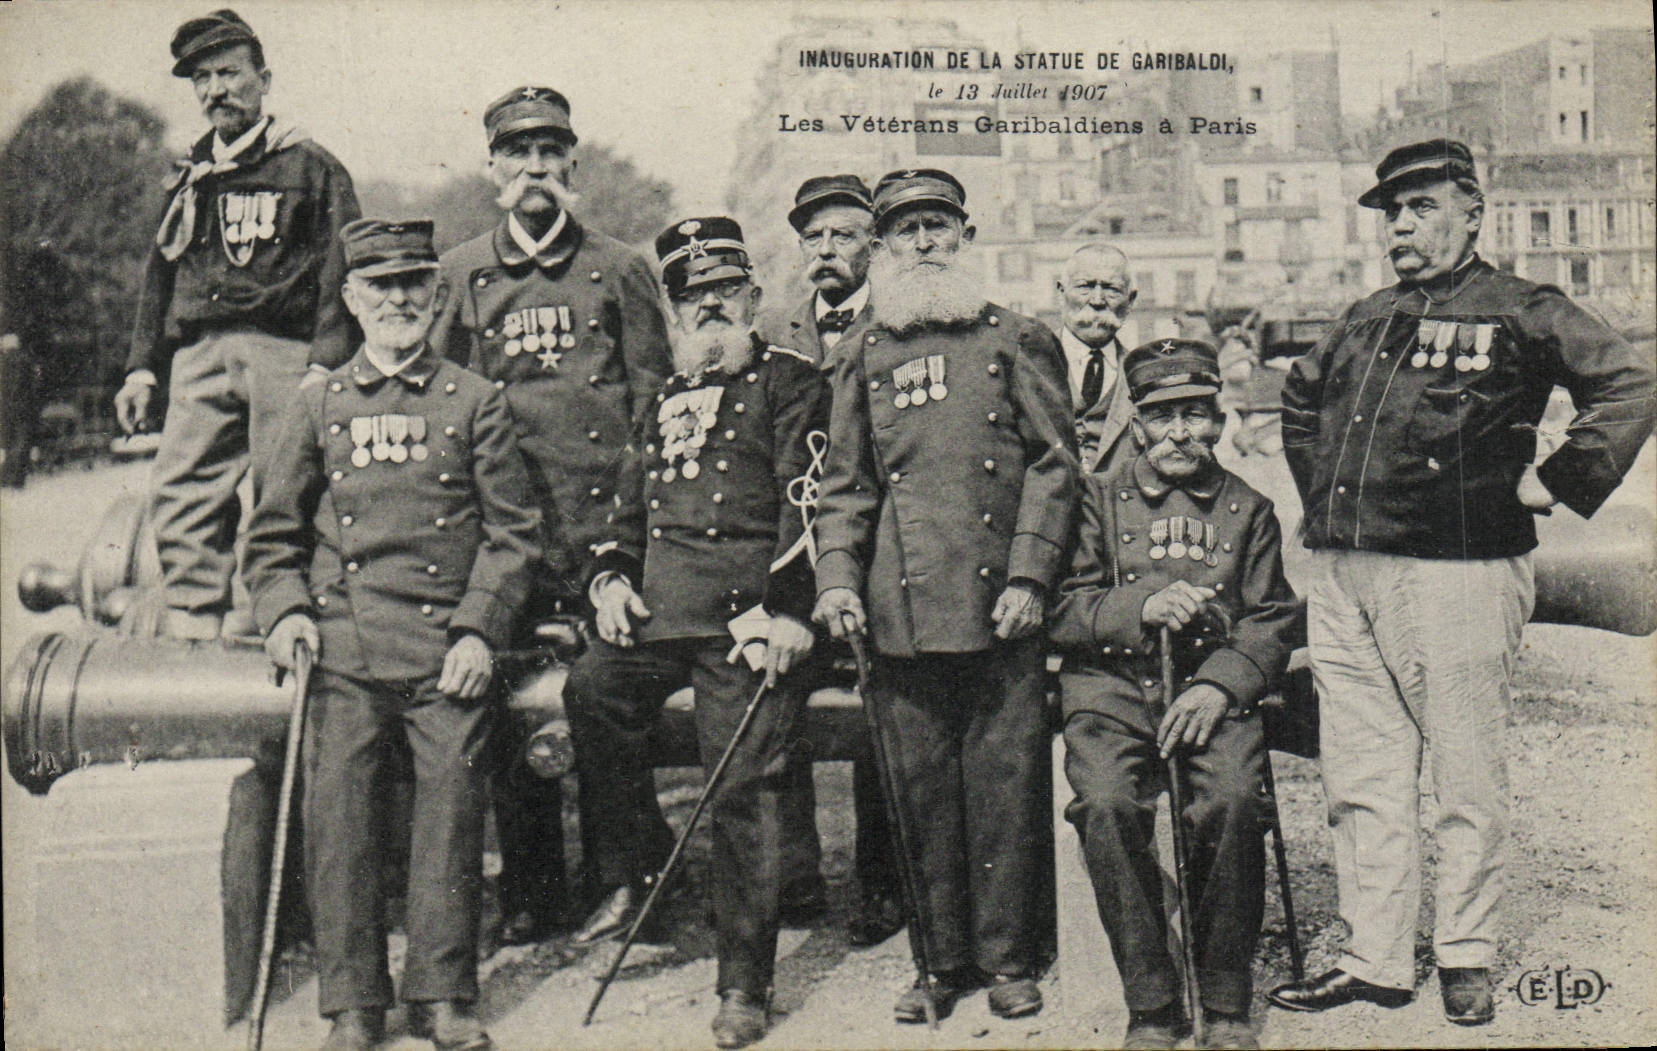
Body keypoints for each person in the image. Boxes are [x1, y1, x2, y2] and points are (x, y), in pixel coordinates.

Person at [1269, 139, 1656, 1026]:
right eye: (1390, 213)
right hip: (1345, 573)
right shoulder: (1363, 315)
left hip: (1459, 573)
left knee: (1464, 773)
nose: (1401, 227)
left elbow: (1629, 385)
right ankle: (1373, 957)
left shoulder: (1520, 307)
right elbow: (1298, 400)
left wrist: (1555, 480)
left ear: (1472, 213)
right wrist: (1324, 498)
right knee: (1361, 773)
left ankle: (1464, 952)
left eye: (1422, 208)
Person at [245, 218, 541, 1051]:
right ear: (351, 298)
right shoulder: (318, 404)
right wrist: (286, 611)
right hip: (344, 650)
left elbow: (512, 535)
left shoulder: (474, 400)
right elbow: (271, 536)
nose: (399, 300)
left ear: (437, 292)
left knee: (450, 811)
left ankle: (443, 993)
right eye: (380, 285)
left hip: (447, 650)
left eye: (414, 283)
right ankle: (352, 1003)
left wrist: (479, 629)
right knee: (338, 819)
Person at [812, 169, 1079, 1023]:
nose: (924, 241)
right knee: (919, 790)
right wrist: (836, 578)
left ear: (965, 234)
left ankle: (1007, 958)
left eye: (938, 225)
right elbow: (845, 483)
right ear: (882, 246)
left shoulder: (1017, 337)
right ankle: (937, 963)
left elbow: (1055, 466)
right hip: (899, 607)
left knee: (1003, 786)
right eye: (906, 229)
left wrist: (1030, 574)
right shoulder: (860, 351)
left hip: (1001, 601)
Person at [560, 217, 831, 1049]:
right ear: (674, 312)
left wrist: (791, 610)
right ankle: (641, 860)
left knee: (741, 782)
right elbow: (624, 512)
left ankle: (743, 981)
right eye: (692, 297)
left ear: (752, 297)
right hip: (661, 613)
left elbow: (808, 500)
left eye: (724, 292)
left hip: (747, 618)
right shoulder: (661, 399)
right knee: (590, 689)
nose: (709, 307)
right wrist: (609, 579)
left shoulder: (791, 383)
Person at [432, 85, 674, 945]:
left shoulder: (621, 266)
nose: (534, 169)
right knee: (507, 696)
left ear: (572, 163)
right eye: (517, 153)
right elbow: (446, 406)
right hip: (508, 529)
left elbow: (654, 409)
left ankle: (625, 878)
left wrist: (631, 534)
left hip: (603, 525)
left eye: (549, 153)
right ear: (492, 166)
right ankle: (532, 887)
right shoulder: (460, 273)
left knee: (602, 696)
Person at [1050, 339, 1301, 1051]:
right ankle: (1153, 1002)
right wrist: (1140, 606)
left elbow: (1272, 618)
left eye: (1194, 415)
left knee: (1232, 801)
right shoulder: (1095, 498)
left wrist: (1221, 683)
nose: (1179, 433)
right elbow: (1062, 607)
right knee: (1105, 805)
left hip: (1207, 694)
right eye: (1162, 417)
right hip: (1113, 691)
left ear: (1218, 422)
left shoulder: (1248, 508)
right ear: (1137, 425)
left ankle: (1223, 1000)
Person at [115, 8, 360, 640]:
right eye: (202, 79)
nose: (215, 90)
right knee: (182, 487)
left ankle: (273, 617)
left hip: (284, 351)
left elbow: (341, 273)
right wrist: (141, 368)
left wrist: (324, 363)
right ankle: (194, 622)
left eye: (228, 73)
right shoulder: (190, 176)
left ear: (264, 80)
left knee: (284, 487)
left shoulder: (310, 166)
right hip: (200, 353)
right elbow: (159, 276)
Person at [757, 173, 903, 945]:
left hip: (876, 552)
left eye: (843, 235)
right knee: (770, 687)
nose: (826, 250)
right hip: (792, 549)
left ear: (872, 246)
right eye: (813, 237)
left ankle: (883, 882)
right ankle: (794, 878)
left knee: (885, 705)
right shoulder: (774, 329)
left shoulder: (899, 320)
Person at [1056, 244, 1139, 475]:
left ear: (1131, 300)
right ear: (1061, 293)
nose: (1098, 300)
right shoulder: (1028, 363)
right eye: (1085, 286)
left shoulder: (1141, 375)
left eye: (1112, 289)